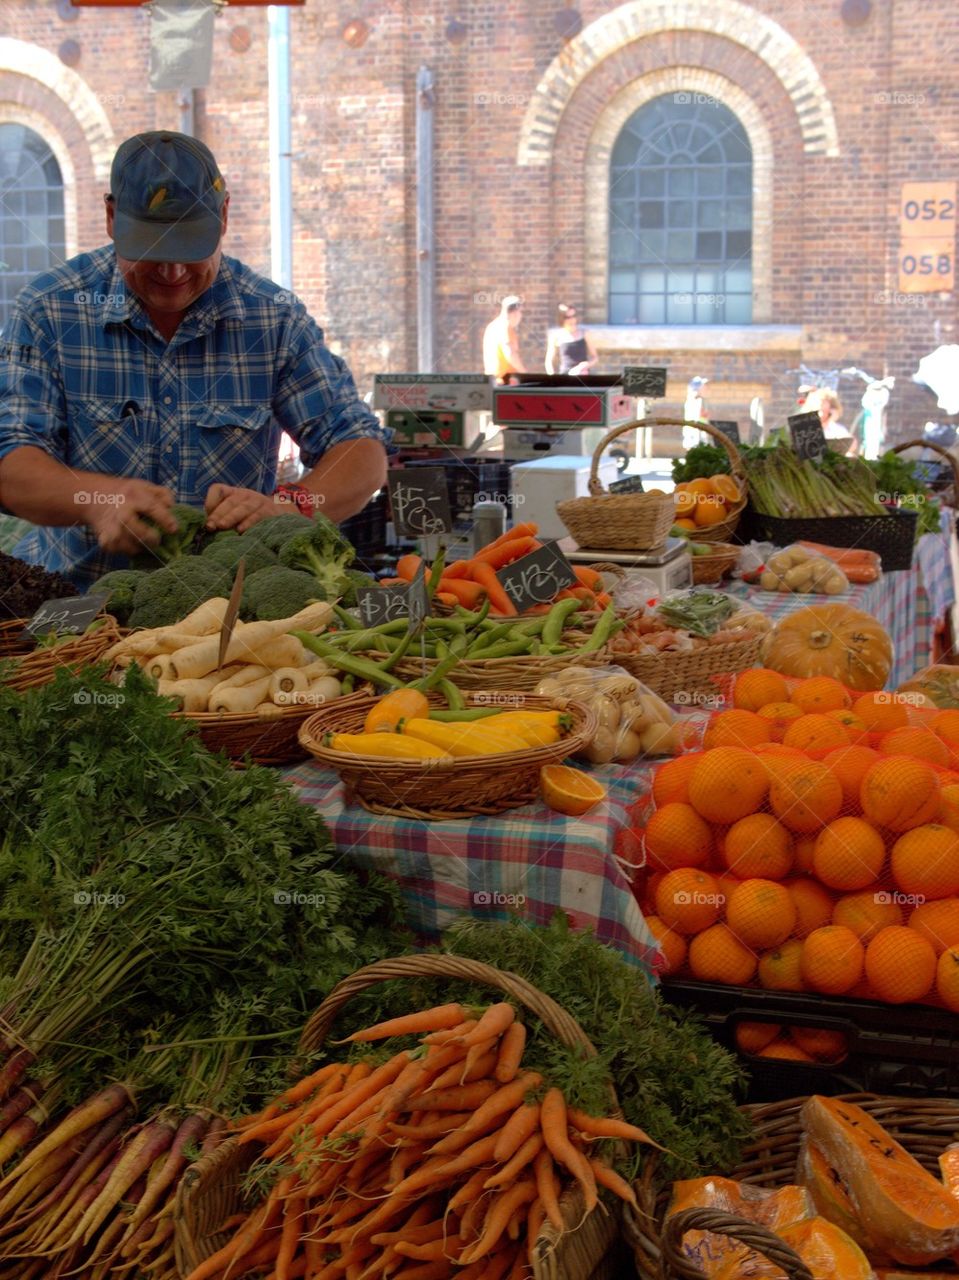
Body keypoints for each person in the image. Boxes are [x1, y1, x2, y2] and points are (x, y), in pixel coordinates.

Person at [0, 131, 389, 586]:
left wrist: (293, 504)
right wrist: (96, 499)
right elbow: (11, 462)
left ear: (223, 217)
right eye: (152, 251)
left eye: (189, 249)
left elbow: (361, 449)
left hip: (229, 617)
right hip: (76, 609)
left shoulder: (272, 319)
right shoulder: (50, 309)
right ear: (110, 217)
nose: (172, 272)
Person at [544, 303, 598, 376]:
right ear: (562, 318)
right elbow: (549, 361)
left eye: (574, 316)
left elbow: (595, 357)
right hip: (565, 376)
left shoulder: (585, 333)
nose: (572, 320)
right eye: (568, 317)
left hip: (583, 375)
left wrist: (585, 365)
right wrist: (552, 378)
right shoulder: (555, 336)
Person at [482, 295, 526, 383]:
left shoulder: (492, 326)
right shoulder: (505, 327)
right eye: (521, 312)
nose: (521, 316)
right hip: (505, 382)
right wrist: (525, 373)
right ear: (515, 313)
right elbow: (510, 353)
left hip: (492, 381)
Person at [682, 375, 710, 451]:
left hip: (701, 430)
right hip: (694, 432)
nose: (706, 388)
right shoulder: (694, 400)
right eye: (703, 386)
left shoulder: (701, 400)